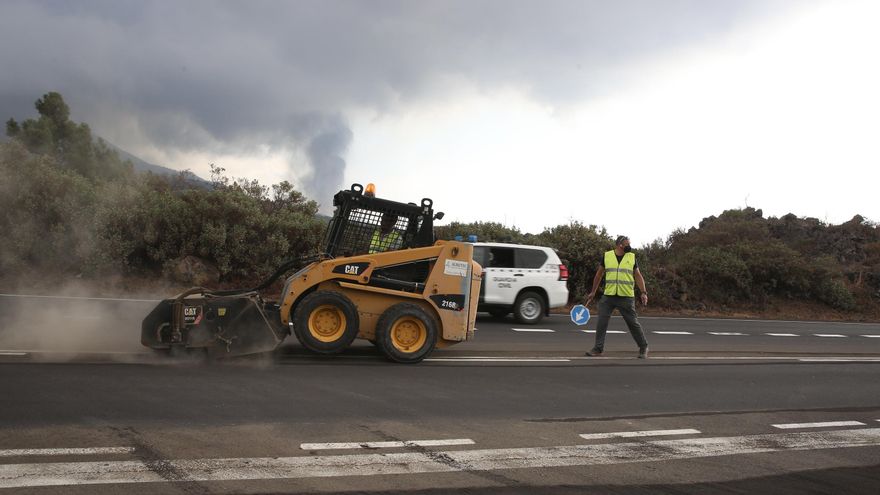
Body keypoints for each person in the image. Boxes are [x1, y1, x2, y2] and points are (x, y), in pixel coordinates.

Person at [584, 235, 650, 359]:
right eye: (627, 243)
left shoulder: (632, 257)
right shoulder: (607, 256)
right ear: (620, 244)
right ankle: (598, 348)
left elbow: (638, 275)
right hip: (608, 296)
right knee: (601, 322)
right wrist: (593, 292)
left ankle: (643, 347)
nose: (629, 246)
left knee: (632, 323)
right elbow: (598, 275)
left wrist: (643, 292)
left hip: (626, 296)